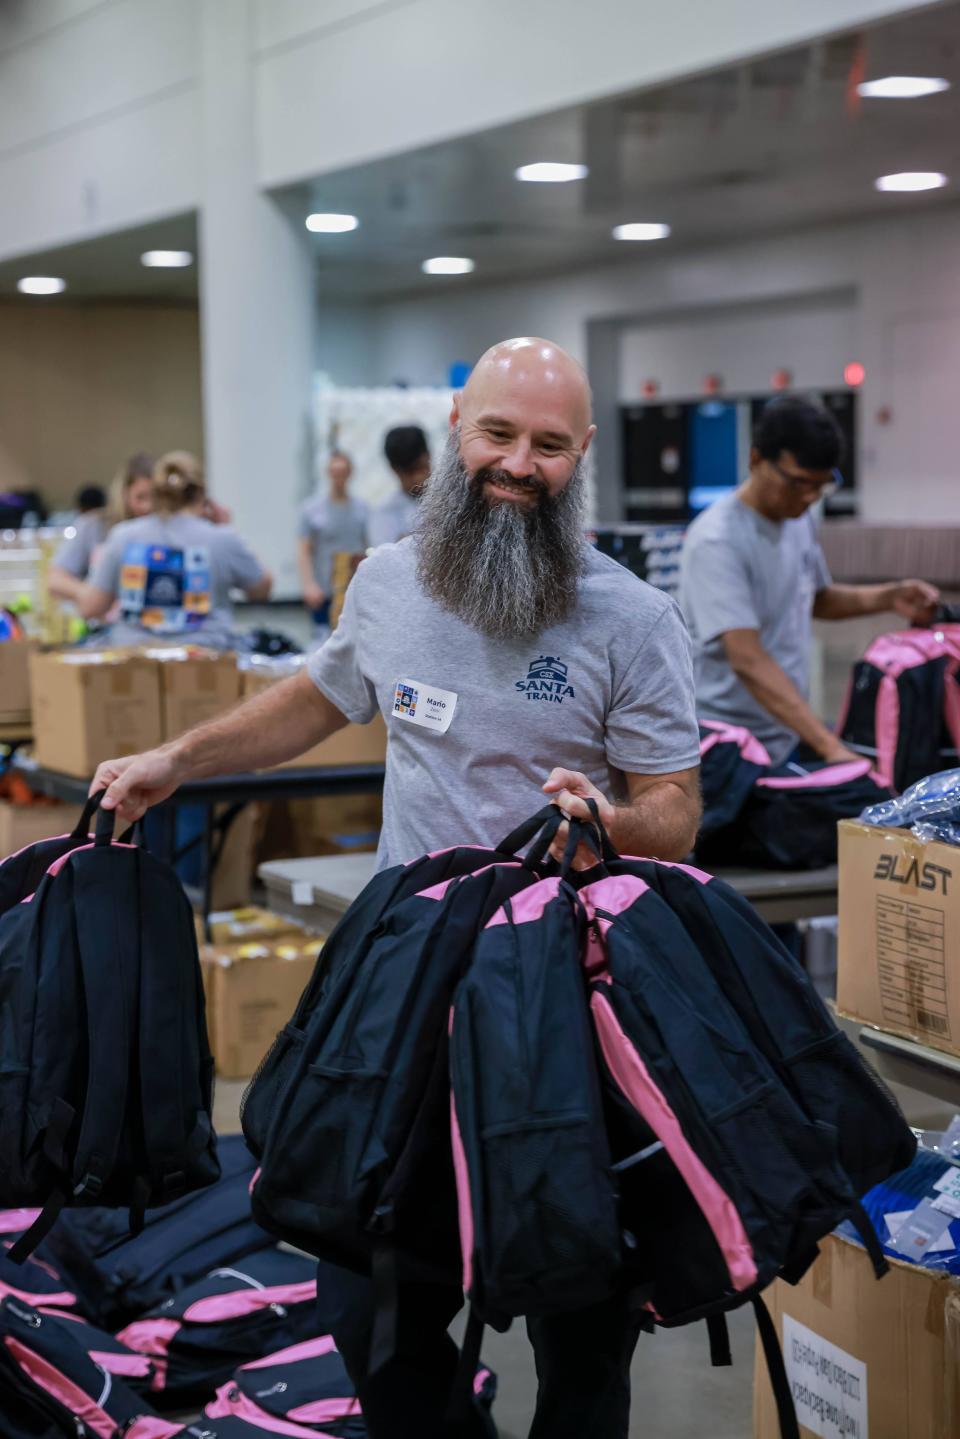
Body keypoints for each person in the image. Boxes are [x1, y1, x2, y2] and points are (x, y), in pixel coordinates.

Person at [90, 337, 701, 1439]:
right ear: (458, 425)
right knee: (371, 1301)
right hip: (408, 994)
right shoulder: (387, 580)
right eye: (500, 434)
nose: (520, 463)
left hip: (570, 1006)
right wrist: (176, 760)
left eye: (550, 445)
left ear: (584, 455)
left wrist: (608, 822)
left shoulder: (632, 619)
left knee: (583, 1320)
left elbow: (675, 808)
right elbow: (319, 698)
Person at [679, 395, 940, 766]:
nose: (809, 497)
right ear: (756, 460)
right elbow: (746, 657)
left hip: (784, 730)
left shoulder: (797, 520)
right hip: (729, 743)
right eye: (798, 483)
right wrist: (827, 745)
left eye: (821, 486)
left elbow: (816, 598)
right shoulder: (717, 539)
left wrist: (890, 596)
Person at [77, 450, 272, 643]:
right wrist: (227, 529)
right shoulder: (220, 539)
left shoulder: (123, 536)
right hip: (205, 661)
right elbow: (262, 589)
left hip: (135, 661)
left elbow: (90, 608)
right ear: (202, 494)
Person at [48, 452, 154, 604]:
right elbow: (56, 579)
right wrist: (95, 595)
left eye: (155, 498)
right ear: (124, 494)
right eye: (140, 497)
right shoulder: (92, 525)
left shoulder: (168, 531)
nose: (148, 507)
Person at [297, 451, 368, 628]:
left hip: (353, 588)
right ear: (328, 473)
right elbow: (304, 550)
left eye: (342, 471)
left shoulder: (362, 509)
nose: (338, 477)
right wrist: (309, 584)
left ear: (350, 473)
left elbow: (368, 546)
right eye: (334, 472)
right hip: (324, 590)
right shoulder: (311, 510)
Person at [368, 424, 431, 546]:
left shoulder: (454, 500)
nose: (416, 478)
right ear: (393, 469)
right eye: (408, 472)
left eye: (420, 468)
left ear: (429, 456)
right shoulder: (385, 513)